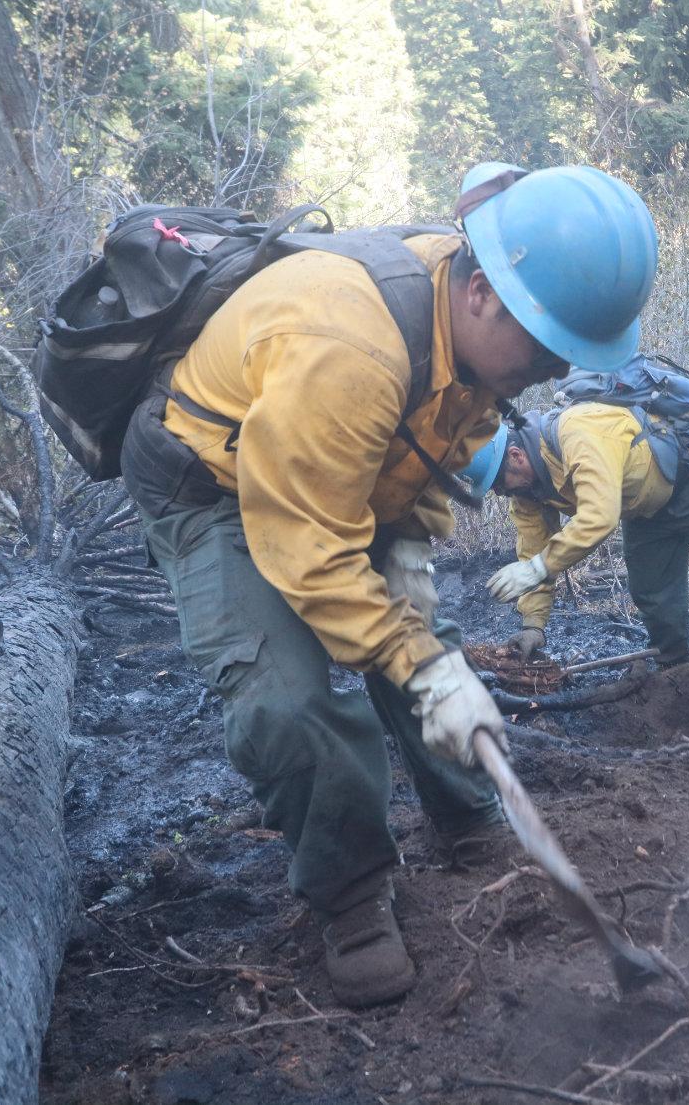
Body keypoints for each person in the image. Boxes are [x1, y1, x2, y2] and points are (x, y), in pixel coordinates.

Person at [117, 162, 658, 1007]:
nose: (552, 370)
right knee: (288, 703)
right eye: (545, 343)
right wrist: (419, 658)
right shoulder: (347, 347)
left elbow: (436, 439)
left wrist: (411, 547)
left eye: (568, 353)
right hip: (213, 485)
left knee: (414, 642)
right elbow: (308, 552)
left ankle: (469, 816)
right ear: (481, 291)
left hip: (332, 475)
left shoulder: (475, 321)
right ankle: (352, 892)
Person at [480, 402, 689, 665]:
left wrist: (539, 568)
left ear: (516, 455)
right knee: (655, 600)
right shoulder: (525, 493)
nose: (500, 493)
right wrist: (533, 627)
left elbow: (599, 516)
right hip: (642, 512)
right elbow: (532, 549)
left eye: (498, 483)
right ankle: (677, 675)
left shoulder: (576, 433)